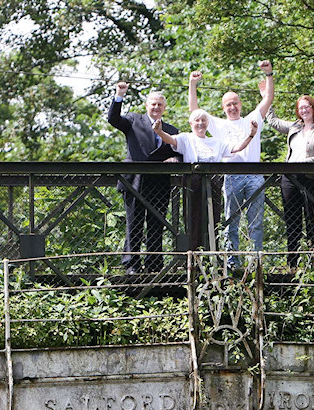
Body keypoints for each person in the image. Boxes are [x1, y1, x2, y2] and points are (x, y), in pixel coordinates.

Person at [188, 61, 274, 267]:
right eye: (228, 104)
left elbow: (268, 99)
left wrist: (269, 74)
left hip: (254, 174)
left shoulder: (252, 119)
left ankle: (256, 262)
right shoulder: (218, 124)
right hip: (231, 176)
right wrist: (192, 84)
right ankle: (232, 262)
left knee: (256, 222)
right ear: (223, 107)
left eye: (235, 103)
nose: (232, 107)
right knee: (230, 222)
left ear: (240, 104)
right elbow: (194, 110)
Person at [108, 83, 182, 274]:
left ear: (164, 108)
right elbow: (113, 119)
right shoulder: (134, 120)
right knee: (134, 224)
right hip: (135, 182)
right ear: (147, 105)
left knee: (157, 226)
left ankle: (154, 265)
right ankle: (131, 265)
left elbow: (182, 152)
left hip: (159, 184)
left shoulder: (172, 130)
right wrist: (119, 95)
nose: (156, 107)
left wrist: (175, 158)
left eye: (159, 105)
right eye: (153, 104)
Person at [265, 95, 314, 268]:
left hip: (313, 179)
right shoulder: (294, 126)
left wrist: (304, 162)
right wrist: (267, 98)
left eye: (307, 106)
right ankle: (292, 264)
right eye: (301, 107)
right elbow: (272, 121)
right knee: (292, 222)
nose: (304, 110)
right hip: (290, 178)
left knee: (313, 222)